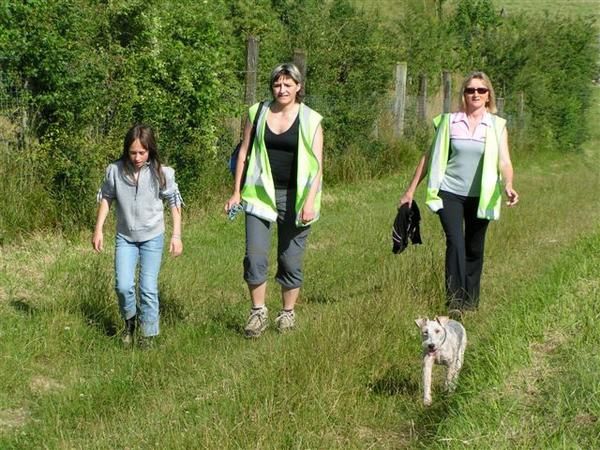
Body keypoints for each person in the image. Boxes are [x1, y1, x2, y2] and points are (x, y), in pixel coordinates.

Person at [399, 71, 519, 314]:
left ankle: (470, 302)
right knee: (455, 243)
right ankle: (454, 302)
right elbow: (429, 157)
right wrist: (411, 190)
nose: (475, 94)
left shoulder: (496, 126)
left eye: (481, 90)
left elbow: (505, 161)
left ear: (488, 96)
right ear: (463, 94)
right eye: (470, 90)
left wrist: (508, 184)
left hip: (482, 196)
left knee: (475, 247)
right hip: (449, 192)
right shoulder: (449, 121)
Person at [225, 63, 324, 338]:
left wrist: (309, 202)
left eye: (288, 84)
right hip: (259, 194)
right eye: (277, 84)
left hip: (297, 197)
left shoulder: (311, 120)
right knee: (254, 257)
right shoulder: (257, 113)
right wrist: (236, 193)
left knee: (290, 260)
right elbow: (243, 153)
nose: (282, 89)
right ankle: (258, 313)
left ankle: (287, 313)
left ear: (298, 87)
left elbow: (317, 166)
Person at [92, 124, 183, 348]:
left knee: (148, 287)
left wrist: (176, 235)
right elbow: (106, 197)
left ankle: (149, 335)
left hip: (153, 236)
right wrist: (99, 229)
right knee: (123, 286)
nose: (137, 157)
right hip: (125, 237)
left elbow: (174, 202)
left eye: (142, 152)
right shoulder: (115, 170)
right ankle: (130, 323)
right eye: (133, 152)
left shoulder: (162, 173)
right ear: (126, 151)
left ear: (150, 150)